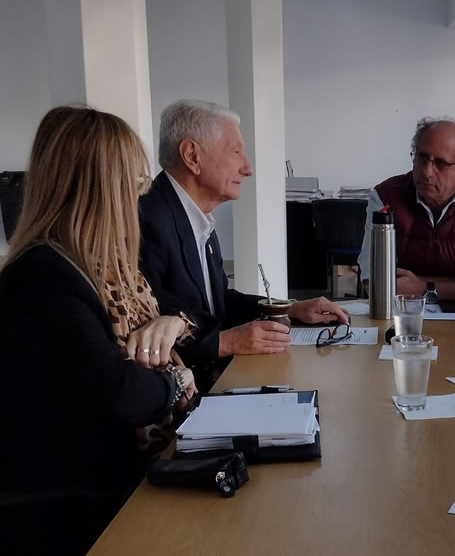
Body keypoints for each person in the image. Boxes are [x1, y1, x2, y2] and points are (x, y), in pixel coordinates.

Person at [0, 106, 198, 556]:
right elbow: (122, 393)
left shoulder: (100, 270)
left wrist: (175, 326)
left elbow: (179, 316)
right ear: (101, 189)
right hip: (69, 524)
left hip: (106, 497)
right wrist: (174, 380)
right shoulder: (41, 278)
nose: (139, 200)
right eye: (134, 185)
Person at [139, 100, 348, 387]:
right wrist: (226, 342)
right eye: (236, 152)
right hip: (183, 393)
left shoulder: (194, 214)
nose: (247, 168)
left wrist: (289, 309)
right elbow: (149, 332)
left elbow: (219, 302)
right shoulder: (148, 221)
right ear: (192, 156)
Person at [357, 117, 455, 304]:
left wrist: (422, 287)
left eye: (441, 163)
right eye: (422, 158)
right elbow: (374, 283)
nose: (427, 172)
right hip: (402, 314)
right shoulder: (385, 198)